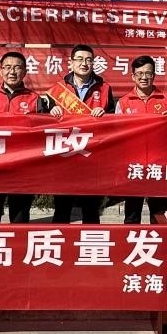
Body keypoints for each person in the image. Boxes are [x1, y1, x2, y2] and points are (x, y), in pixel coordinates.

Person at [0, 51, 53, 223]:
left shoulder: (34, 99)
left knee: (20, 215)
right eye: (8, 67)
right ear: (1, 71)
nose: (12, 72)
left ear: (24, 72)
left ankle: (18, 241)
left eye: (17, 68)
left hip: (23, 166)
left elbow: (44, 133)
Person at [49, 43, 114, 224]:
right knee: (62, 208)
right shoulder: (59, 88)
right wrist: (51, 111)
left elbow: (114, 121)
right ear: (71, 63)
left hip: (92, 156)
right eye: (79, 59)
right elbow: (45, 122)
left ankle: (91, 241)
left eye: (88, 60)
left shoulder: (104, 88)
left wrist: (105, 114)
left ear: (93, 63)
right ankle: (58, 240)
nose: (84, 63)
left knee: (91, 209)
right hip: (65, 155)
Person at [115, 55, 167, 223]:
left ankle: (160, 240)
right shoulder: (123, 102)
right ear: (133, 76)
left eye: (148, 73)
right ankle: (132, 239)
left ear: (154, 75)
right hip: (134, 165)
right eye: (139, 74)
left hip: (159, 164)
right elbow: (117, 135)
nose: (144, 77)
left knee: (159, 215)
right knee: (132, 215)